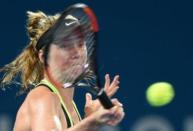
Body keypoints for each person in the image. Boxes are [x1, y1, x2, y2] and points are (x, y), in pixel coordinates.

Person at [0, 4, 125, 131]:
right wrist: (92, 122)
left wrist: (90, 118)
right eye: (66, 46)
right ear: (44, 57)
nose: (77, 52)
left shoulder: (71, 107)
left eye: (80, 43)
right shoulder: (43, 98)